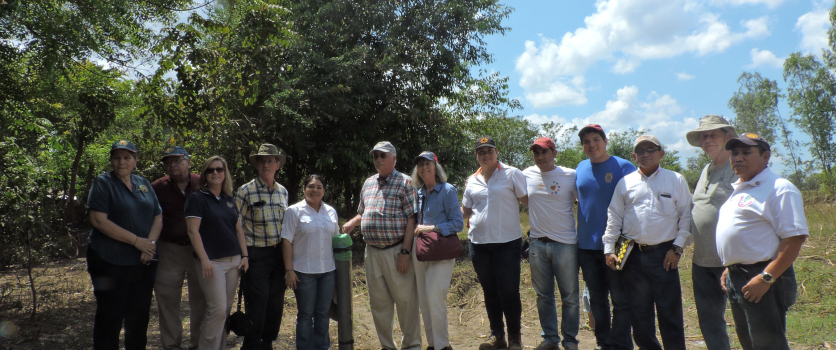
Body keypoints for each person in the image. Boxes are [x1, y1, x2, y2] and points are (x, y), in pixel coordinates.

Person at [716, 133, 808, 350]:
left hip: (763, 276)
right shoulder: (740, 188)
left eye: (746, 152)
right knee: (749, 341)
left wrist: (767, 278)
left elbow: (794, 239)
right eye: (734, 153)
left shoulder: (779, 188)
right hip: (738, 276)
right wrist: (732, 266)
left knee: (768, 344)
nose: (738, 158)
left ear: (765, 156)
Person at [604, 135, 692, 350]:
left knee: (669, 313)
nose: (645, 154)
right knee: (640, 314)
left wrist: (677, 249)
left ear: (661, 153)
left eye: (650, 149)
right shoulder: (625, 183)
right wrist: (608, 249)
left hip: (664, 255)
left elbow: (686, 217)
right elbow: (614, 216)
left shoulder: (675, 179)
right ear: (634, 156)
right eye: (640, 151)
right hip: (632, 256)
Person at [341, 141, 421, 350]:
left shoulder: (405, 182)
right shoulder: (368, 183)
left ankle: (412, 345)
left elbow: (412, 219)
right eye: (375, 155)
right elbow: (362, 212)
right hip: (372, 253)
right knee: (379, 304)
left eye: (382, 155)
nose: (378, 159)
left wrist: (405, 252)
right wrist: (352, 222)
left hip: (396, 251)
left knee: (406, 302)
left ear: (394, 158)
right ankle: (387, 346)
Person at [86, 140, 162, 350]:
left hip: (142, 263)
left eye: (127, 157)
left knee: (139, 317)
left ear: (135, 161)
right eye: (117, 157)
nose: (121, 162)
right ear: (111, 160)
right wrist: (138, 242)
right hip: (110, 262)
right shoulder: (103, 183)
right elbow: (99, 221)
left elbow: (158, 215)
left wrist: (150, 245)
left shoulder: (144, 184)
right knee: (110, 317)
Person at [461, 136, 528, 350]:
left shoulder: (511, 173)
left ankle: (515, 338)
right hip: (478, 244)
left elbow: (528, 201)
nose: (486, 155)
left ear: (496, 152)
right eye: (481, 152)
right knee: (489, 291)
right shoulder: (472, 180)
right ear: (476, 156)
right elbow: (466, 211)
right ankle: (497, 336)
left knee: (509, 291)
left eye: (489, 151)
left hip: (507, 243)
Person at [574, 124, 636, 350]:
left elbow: (635, 202)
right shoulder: (580, 168)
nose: (591, 145)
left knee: (620, 299)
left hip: (616, 246)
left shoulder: (623, 166)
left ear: (605, 140)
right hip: (586, 246)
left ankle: (621, 343)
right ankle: (604, 342)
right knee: (597, 299)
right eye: (586, 142)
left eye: (595, 139)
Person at [185, 156, 250, 350]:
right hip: (212, 263)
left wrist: (245, 255)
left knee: (225, 311)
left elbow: (238, 229)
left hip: (233, 261)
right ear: (204, 174)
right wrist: (204, 260)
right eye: (210, 170)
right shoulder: (197, 199)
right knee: (217, 310)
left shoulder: (229, 200)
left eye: (219, 169)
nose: (215, 173)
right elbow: (192, 231)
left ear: (225, 173)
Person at [684, 115, 737, 350]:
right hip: (702, 261)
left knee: (748, 321)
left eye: (712, 134)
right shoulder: (706, 169)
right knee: (709, 320)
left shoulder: (738, 167)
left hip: (732, 262)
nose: (707, 139)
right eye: (703, 136)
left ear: (728, 136)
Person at [522, 137, 580, 350]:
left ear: (554, 153)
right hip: (537, 244)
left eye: (544, 152)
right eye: (536, 153)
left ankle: (570, 340)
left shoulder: (570, 175)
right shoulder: (526, 174)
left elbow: (582, 202)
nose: (540, 157)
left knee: (570, 295)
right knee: (543, 295)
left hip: (565, 244)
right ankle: (550, 339)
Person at [234, 144, 290, 350]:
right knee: (257, 303)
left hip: (279, 255)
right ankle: (251, 344)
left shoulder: (282, 192)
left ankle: (267, 343)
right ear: (257, 165)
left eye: (270, 161)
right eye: (262, 161)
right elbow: (234, 224)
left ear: (277, 165)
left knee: (276, 303)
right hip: (255, 254)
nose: (266, 164)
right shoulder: (245, 191)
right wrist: (243, 255)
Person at [151, 146, 207, 350]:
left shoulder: (203, 183)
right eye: (168, 162)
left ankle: (198, 344)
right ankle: (171, 344)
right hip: (169, 249)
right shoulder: (157, 187)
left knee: (201, 298)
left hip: (197, 250)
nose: (172, 165)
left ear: (189, 162)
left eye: (177, 160)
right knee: (167, 299)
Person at [410, 151, 464, 350]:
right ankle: (432, 344)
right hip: (422, 252)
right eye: (420, 165)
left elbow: (458, 224)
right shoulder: (418, 193)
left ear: (436, 167)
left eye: (428, 164)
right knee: (424, 301)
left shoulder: (447, 190)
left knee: (435, 299)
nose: (424, 168)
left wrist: (432, 228)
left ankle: (443, 346)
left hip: (441, 252)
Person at [281, 175, 339, 350]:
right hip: (303, 273)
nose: (315, 190)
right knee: (306, 315)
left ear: (324, 191)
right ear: (304, 188)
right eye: (311, 186)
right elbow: (286, 241)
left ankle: (322, 347)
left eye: (319, 187)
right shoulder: (294, 211)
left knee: (323, 313)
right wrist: (288, 270)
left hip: (328, 271)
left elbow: (336, 240)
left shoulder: (330, 211)